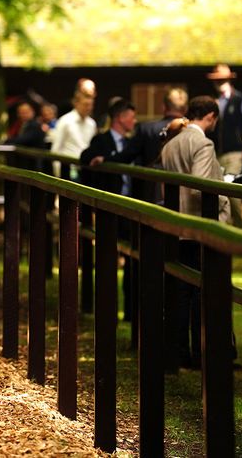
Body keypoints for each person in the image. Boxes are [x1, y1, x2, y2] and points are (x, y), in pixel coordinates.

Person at [161, 96, 231, 370]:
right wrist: (224, 200)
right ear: (211, 116)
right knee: (201, 292)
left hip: (175, 223)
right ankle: (202, 353)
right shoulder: (202, 143)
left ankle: (177, 353)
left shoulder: (172, 143)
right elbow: (201, 187)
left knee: (180, 292)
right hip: (197, 226)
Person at [80, 98, 141, 324]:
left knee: (134, 259)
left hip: (131, 206)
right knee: (107, 258)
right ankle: (106, 310)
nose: (134, 121)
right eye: (131, 116)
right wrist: (99, 161)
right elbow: (84, 157)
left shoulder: (133, 143)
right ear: (120, 118)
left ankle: (131, 311)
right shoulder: (102, 140)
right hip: (111, 208)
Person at [207, 63, 242, 227]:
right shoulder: (213, 101)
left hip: (234, 153)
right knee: (220, 191)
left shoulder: (239, 99)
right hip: (217, 153)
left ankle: (238, 227)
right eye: (217, 79)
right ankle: (226, 227)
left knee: (232, 190)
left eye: (222, 79)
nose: (219, 82)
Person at [135, 88, 188, 203]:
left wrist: (105, 158)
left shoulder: (146, 129)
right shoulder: (191, 133)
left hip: (151, 192)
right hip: (184, 194)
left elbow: (128, 156)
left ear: (164, 107)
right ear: (185, 109)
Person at [50, 89, 97, 181]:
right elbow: (56, 149)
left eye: (91, 105)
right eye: (85, 104)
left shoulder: (92, 123)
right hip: (68, 168)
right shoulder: (65, 121)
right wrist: (57, 174)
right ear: (76, 103)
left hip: (86, 168)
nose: (88, 108)